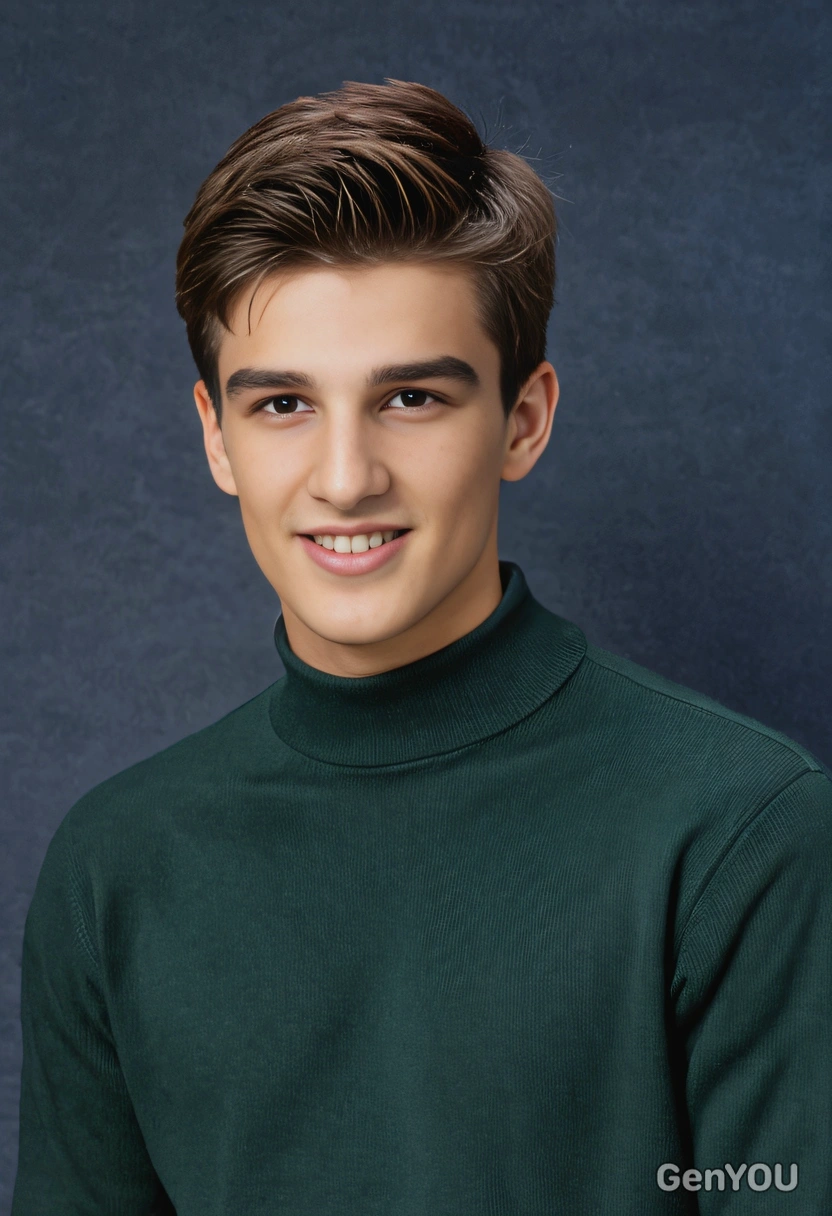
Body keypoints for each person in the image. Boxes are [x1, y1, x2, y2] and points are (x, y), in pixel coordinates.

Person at [12, 79, 832, 1214]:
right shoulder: (118, 868)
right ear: (215, 437)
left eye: (408, 396)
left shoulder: (741, 831)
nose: (345, 477)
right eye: (283, 405)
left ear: (523, 420)